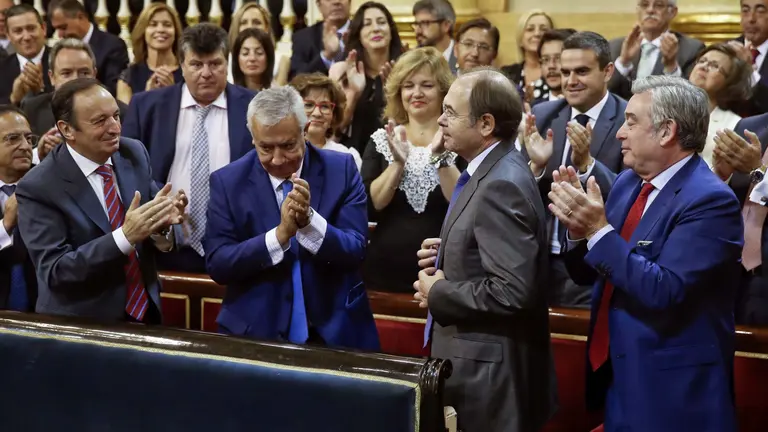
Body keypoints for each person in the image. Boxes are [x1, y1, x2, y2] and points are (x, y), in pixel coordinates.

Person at [551, 75, 741, 431]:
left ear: (667, 131)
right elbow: (590, 273)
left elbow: (664, 289)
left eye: (631, 121)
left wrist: (597, 231)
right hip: (615, 372)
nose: (620, 133)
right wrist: (580, 235)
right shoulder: (627, 182)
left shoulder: (710, 201)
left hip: (674, 390)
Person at [415, 69, 557, 432]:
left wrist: (439, 293)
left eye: (450, 112)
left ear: (485, 124)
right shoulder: (494, 169)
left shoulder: (501, 183)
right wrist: (448, 253)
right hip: (481, 370)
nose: (441, 120)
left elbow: (511, 291)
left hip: (490, 379)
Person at [204, 86, 378, 350]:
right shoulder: (227, 182)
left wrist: (309, 222)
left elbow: (355, 249)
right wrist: (279, 236)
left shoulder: (341, 169)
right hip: (255, 333)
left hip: (335, 332)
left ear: (304, 131)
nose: (277, 159)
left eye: (287, 146)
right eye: (266, 147)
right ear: (253, 138)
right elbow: (218, 263)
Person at [16, 78, 187, 323]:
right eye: (100, 121)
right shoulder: (38, 187)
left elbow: (155, 229)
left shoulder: (133, 153)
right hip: (81, 327)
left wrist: (161, 227)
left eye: (116, 116)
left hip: (146, 316)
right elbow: (56, 270)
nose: (115, 128)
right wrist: (125, 237)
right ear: (67, 130)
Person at [122, 23, 256, 274]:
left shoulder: (253, 106)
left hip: (235, 246)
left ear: (227, 64)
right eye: (196, 64)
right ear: (181, 65)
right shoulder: (147, 106)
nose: (206, 73)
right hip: (162, 243)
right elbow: (127, 171)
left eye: (215, 64)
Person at [521, 31, 625, 308]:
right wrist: (536, 166)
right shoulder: (543, 115)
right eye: (565, 72)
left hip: (591, 265)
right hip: (537, 262)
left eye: (581, 71)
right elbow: (516, 192)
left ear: (607, 71)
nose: (570, 81)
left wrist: (587, 165)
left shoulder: (628, 119)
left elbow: (630, 193)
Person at [362, 47, 458, 293]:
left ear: (443, 91)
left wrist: (440, 158)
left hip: (445, 270)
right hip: (385, 270)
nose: (416, 93)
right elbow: (373, 205)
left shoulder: (460, 139)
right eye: (408, 85)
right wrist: (397, 163)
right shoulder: (380, 139)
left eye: (427, 85)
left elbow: (463, 200)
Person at [21, 38, 129, 163]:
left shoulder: (119, 111)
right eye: (66, 73)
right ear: (52, 77)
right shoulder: (32, 108)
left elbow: (122, 158)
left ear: (94, 74)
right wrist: (38, 153)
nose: (76, 79)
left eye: (84, 72)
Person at [608, 0, 704, 98]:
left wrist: (671, 67)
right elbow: (603, 92)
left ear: (673, 12)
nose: (650, 10)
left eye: (659, 5)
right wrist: (623, 62)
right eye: (644, 5)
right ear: (637, 10)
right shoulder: (615, 47)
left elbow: (691, 100)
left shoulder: (691, 49)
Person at [687, 43, 753, 168]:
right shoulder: (668, 107)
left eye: (715, 66)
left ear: (729, 82)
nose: (704, 66)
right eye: (702, 61)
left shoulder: (734, 125)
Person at [47, 0, 129, 96]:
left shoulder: (113, 45)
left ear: (80, 17)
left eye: (63, 27)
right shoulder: (59, 51)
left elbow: (113, 88)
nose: (60, 35)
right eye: (56, 29)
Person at [0, 105, 37, 312]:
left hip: (47, 316)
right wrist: (5, 225)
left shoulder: (49, 185)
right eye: (12, 139)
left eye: (29, 139)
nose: (25, 146)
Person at [289, 72, 362, 169]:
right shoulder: (278, 155)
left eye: (324, 106)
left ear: (334, 115)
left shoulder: (348, 157)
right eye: (309, 105)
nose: (317, 113)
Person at [116, 2, 184, 105]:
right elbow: (127, 119)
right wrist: (147, 96)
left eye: (167, 25)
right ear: (143, 31)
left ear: (175, 32)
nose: (160, 29)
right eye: (153, 24)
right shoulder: (129, 77)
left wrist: (173, 92)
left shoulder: (188, 72)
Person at [0, 4, 53, 105]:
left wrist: (41, 92)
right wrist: (13, 99)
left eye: (31, 28)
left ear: (44, 28)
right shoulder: (1, 69)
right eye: (18, 31)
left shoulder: (61, 61)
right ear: (8, 36)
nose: (26, 37)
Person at [500, 10, 554, 102]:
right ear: (520, 39)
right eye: (530, 29)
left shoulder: (558, 72)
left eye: (544, 29)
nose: (537, 34)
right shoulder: (506, 74)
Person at [290, 0, 351, 78]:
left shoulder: (364, 31)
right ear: (319, 5)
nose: (336, 1)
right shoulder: (303, 38)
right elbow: (295, 80)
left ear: (350, 2)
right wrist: (326, 56)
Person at [732, 0, 768, 116]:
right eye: (745, 10)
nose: (751, 19)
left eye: (760, 11)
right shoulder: (725, 50)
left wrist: (750, 72)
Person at [412, 0, 457, 74]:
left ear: (446, 25)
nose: (417, 31)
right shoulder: (412, 58)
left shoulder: (464, 56)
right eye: (416, 24)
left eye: (425, 23)